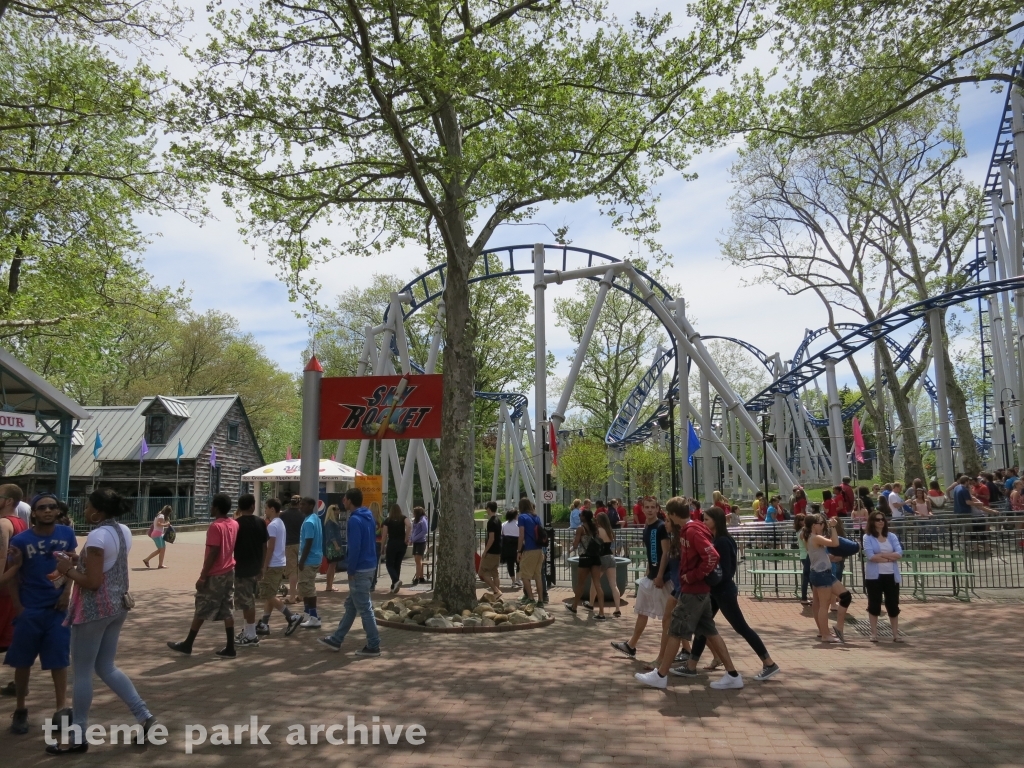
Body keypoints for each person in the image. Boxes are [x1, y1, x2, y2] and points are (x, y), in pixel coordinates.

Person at [48, 488, 156, 754]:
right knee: (106, 666)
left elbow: (93, 582)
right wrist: (79, 560)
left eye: (87, 506)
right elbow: (106, 563)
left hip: (94, 610)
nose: (84, 511)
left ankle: (78, 735)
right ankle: (144, 716)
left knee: (82, 672)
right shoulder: (123, 530)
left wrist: (68, 569)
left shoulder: (97, 535)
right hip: (117, 605)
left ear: (97, 511)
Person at [635, 497, 744, 690]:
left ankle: (661, 675)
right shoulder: (693, 528)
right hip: (698, 590)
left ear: (674, 514)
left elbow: (711, 556)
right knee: (710, 631)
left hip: (694, 591)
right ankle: (732, 674)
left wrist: (692, 576)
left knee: (676, 630)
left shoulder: (692, 530)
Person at [671, 506, 780, 681]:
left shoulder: (722, 541)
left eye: (706, 519)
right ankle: (691, 665)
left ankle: (769, 662)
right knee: (703, 626)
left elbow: (726, 571)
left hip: (723, 592)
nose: (703, 522)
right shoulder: (715, 539)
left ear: (717, 521)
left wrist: (705, 578)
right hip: (714, 592)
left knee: (741, 627)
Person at [4, 493, 76, 736]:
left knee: (59, 659)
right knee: (23, 661)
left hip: (57, 609)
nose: (47, 511)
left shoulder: (66, 534)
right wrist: (19, 606)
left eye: (52, 507)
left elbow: (71, 565)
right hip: (30, 608)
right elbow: (13, 574)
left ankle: (61, 709)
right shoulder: (21, 540)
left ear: (57, 511)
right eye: (42, 508)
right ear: (33, 512)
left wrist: (67, 592)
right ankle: (21, 708)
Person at [167, 493, 239, 657]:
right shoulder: (234, 524)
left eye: (213, 505)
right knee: (228, 607)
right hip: (229, 570)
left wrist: (203, 576)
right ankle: (230, 647)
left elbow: (213, 552)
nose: (211, 508)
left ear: (218, 507)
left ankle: (188, 643)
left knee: (202, 606)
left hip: (216, 573)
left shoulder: (215, 526)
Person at [318, 487, 381, 656]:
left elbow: (355, 547)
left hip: (359, 569)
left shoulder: (354, 520)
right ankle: (337, 639)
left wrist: (350, 570)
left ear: (350, 501)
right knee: (352, 607)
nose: (343, 501)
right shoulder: (369, 518)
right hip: (369, 566)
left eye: (345, 499)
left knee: (365, 609)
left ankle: (374, 645)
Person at [611, 497, 672, 659]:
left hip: (663, 579)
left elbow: (666, 553)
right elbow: (651, 552)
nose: (650, 510)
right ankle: (631, 645)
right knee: (642, 611)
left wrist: (659, 575)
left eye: (653, 507)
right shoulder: (647, 527)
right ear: (642, 509)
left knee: (669, 616)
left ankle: (684, 650)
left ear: (658, 509)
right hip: (650, 577)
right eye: (647, 507)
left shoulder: (660, 527)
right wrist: (648, 572)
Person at [255, 499, 303, 637]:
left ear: (271, 509)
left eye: (266, 507)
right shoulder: (280, 523)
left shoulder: (272, 526)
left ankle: (291, 617)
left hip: (273, 563)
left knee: (267, 594)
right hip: (280, 562)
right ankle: (264, 623)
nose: (265, 510)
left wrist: (264, 566)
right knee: (271, 594)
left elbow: (270, 548)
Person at [802, 513, 852, 643]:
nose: (823, 525)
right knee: (824, 605)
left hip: (821, 572)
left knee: (844, 596)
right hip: (822, 574)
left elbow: (820, 551)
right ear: (814, 526)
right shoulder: (815, 537)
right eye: (821, 523)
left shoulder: (808, 536)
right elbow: (834, 543)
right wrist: (833, 527)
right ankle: (825, 634)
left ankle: (830, 629)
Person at [232, 494, 268, 647]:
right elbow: (264, 546)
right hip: (255, 565)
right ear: (253, 506)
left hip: (241, 567)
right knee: (247, 600)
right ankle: (247, 630)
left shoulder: (236, 524)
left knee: (247, 602)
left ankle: (251, 634)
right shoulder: (260, 522)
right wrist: (262, 566)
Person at [862, 511, 903, 643]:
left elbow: (899, 553)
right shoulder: (867, 537)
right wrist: (889, 557)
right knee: (874, 604)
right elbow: (871, 556)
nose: (880, 521)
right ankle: (873, 633)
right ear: (872, 522)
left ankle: (895, 634)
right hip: (874, 577)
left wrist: (882, 556)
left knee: (893, 604)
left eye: (882, 519)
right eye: (877, 519)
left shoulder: (891, 536)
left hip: (891, 575)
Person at [0, 484, 29, 657]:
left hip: (3, 590)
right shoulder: (21, 523)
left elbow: (1, 558)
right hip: (15, 588)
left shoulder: (3, 524)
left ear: (9, 501)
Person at [567, 510, 606, 618]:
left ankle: (574, 606)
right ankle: (601, 612)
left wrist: (571, 548)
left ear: (584, 517)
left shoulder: (581, 528)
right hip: (595, 558)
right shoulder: (595, 528)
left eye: (580, 515)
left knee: (581, 584)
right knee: (598, 584)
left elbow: (575, 544)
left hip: (584, 558)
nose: (579, 516)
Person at [296, 497, 324, 627]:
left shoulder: (309, 522)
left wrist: (301, 561)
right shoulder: (315, 519)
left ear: (311, 506)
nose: (300, 506)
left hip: (309, 559)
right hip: (315, 557)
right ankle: (307, 613)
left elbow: (308, 542)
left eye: (303, 504)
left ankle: (314, 617)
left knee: (308, 588)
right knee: (304, 588)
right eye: (300, 504)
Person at [591, 512, 622, 617]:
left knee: (594, 583)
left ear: (599, 521)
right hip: (611, 558)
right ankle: (617, 608)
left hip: (601, 558)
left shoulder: (599, 531)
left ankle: (591, 604)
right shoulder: (610, 531)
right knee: (613, 584)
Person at [516, 498, 544, 607]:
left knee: (524, 575)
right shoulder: (536, 517)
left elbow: (521, 535)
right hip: (538, 549)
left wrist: (519, 551)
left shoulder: (522, 517)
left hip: (529, 549)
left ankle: (531, 598)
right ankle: (540, 600)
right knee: (538, 576)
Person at [380, 503, 409, 594]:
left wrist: (382, 546)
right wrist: (406, 537)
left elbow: (384, 535)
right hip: (402, 544)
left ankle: (396, 580)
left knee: (389, 564)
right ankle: (394, 585)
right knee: (397, 564)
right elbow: (409, 525)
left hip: (392, 543)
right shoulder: (404, 518)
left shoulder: (388, 521)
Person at [279, 496, 304, 603]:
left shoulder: (283, 515)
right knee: (301, 570)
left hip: (288, 544)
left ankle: (292, 596)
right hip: (301, 544)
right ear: (299, 503)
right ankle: (301, 595)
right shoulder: (303, 515)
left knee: (292, 571)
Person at [477, 502, 503, 596]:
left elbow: (491, 538)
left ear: (489, 509)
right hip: (498, 549)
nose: (486, 510)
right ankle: (497, 594)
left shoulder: (491, 522)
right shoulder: (498, 520)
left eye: (486, 508)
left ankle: (496, 590)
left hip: (491, 551)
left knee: (482, 572)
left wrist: (485, 551)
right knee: (494, 572)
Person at [323, 504, 347, 592]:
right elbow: (331, 535)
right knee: (331, 565)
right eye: (337, 509)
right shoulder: (330, 522)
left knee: (333, 565)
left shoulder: (334, 521)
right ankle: (329, 585)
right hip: (332, 546)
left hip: (335, 544)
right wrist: (336, 545)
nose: (339, 511)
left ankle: (330, 585)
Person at [501, 510, 520, 587]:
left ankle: (513, 580)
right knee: (519, 563)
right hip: (517, 544)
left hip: (507, 546)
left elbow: (502, 534)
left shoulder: (504, 524)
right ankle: (518, 579)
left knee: (510, 564)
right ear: (515, 516)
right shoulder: (518, 524)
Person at [410, 507, 428, 585]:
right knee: (417, 560)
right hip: (415, 542)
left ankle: (417, 578)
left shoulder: (422, 520)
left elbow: (425, 530)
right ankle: (421, 577)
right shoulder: (415, 521)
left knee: (418, 560)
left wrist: (415, 537)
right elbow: (412, 531)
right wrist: (411, 539)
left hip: (421, 542)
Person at [795, 514, 810, 605]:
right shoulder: (802, 532)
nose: (804, 521)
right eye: (802, 519)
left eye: (804, 519)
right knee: (807, 577)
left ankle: (805, 597)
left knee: (807, 576)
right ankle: (804, 597)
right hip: (805, 555)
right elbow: (806, 544)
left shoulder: (801, 531)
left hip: (804, 555)